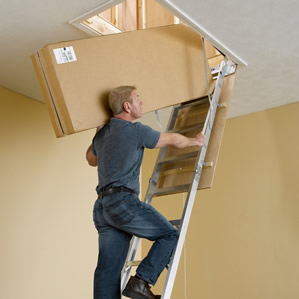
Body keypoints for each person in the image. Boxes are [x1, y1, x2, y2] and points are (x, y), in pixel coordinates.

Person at [86, 86, 206, 299]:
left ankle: (137, 285)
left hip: (102, 208)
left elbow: (91, 159)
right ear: (127, 106)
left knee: (108, 270)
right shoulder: (135, 130)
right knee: (170, 235)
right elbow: (172, 140)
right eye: (137, 99)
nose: (141, 103)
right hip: (122, 203)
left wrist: (98, 134)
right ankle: (141, 282)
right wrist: (194, 141)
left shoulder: (103, 134)